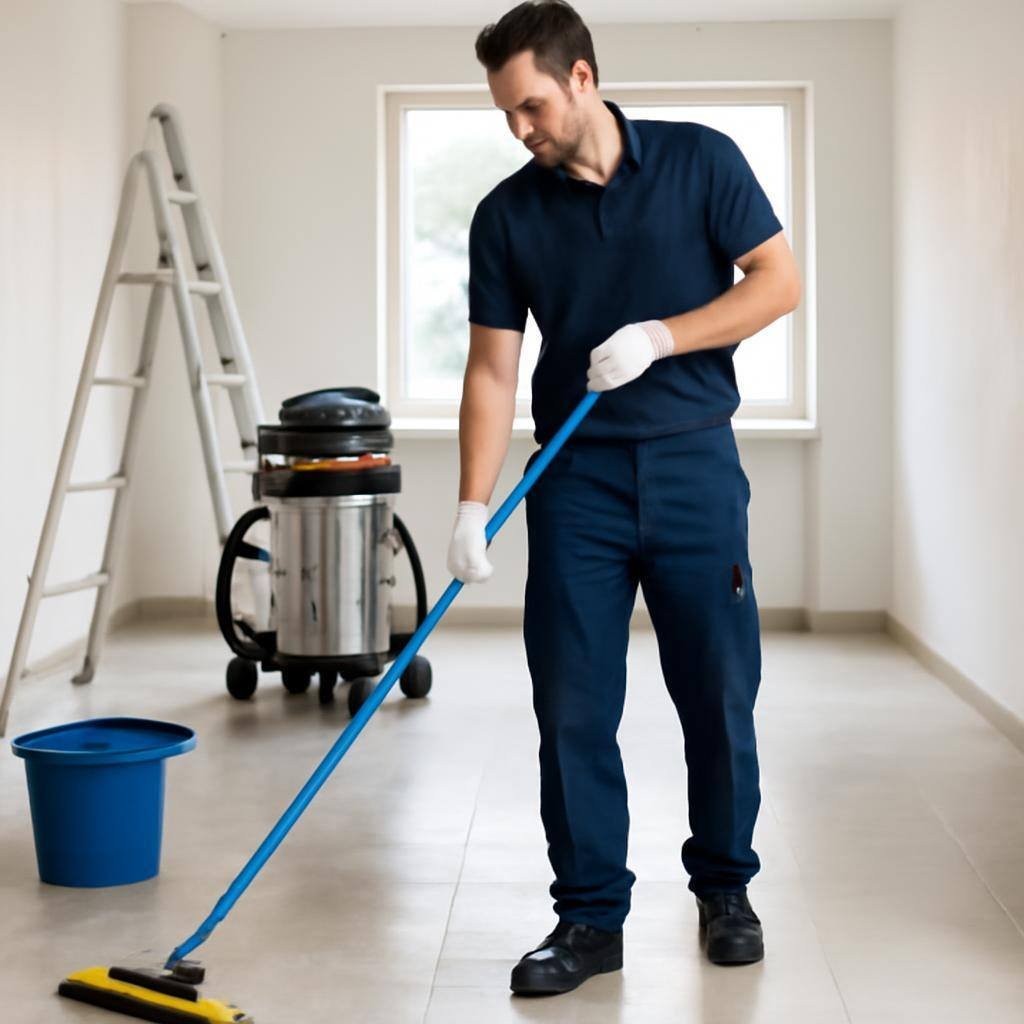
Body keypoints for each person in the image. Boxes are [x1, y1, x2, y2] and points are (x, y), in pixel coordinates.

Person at [447, 0, 801, 997]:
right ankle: (589, 916)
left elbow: (775, 283)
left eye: (530, 107)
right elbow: (488, 370)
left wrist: (661, 335)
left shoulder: (700, 162)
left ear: (582, 79)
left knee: (717, 692)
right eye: (506, 116)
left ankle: (725, 890)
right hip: (575, 484)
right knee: (570, 701)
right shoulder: (506, 215)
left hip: (693, 465)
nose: (521, 130)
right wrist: (472, 502)